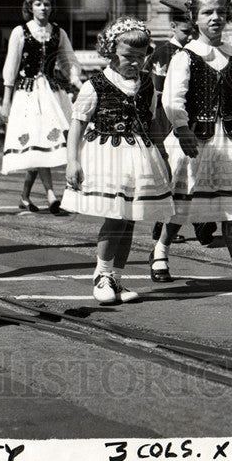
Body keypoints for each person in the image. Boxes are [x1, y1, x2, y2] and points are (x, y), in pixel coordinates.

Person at [151, 0, 232, 290]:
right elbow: (172, 99)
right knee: (183, 201)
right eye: (207, 13)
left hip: (226, 139)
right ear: (195, 18)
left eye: (220, 12)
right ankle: (161, 250)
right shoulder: (186, 56)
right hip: (194, 139)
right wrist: (182, 128)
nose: (215, 18)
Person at [62, 17, 175, 304]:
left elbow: (152, 122)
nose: (135, 63)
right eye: (128, 56)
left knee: (130, 219)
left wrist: (162, 153)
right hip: (106, 155)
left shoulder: (146, 84)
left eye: (140, 57)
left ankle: (116, 278)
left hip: (138, 155)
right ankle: (101, 274)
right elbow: (77, 122)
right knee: (114, 216)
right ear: (111, 51)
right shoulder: (96, 84)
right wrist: (72, 161)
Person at [0, 0, 82, 214]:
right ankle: (51, 195)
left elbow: (68, 59)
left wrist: (76, 81)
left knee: (43, 145)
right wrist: (6, 100)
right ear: (30, 7)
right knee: (38, 143)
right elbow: (11, 65)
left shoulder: (58, 32)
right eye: (38, 4)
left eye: (46, 4)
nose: (43, 8)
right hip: (28, 94)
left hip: (52, 93)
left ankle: (26, 196)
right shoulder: (20, 32)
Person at [144, 0, 216, 247]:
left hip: (197, 120)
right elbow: (154, 90)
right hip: (168, 118)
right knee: (174, 173)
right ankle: (165, 223)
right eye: (185, 31)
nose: (189, 36)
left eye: (192, 31)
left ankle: (200, 222)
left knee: (195, 172)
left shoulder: (200, 51)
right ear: (173, 27)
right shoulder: (162, 54)